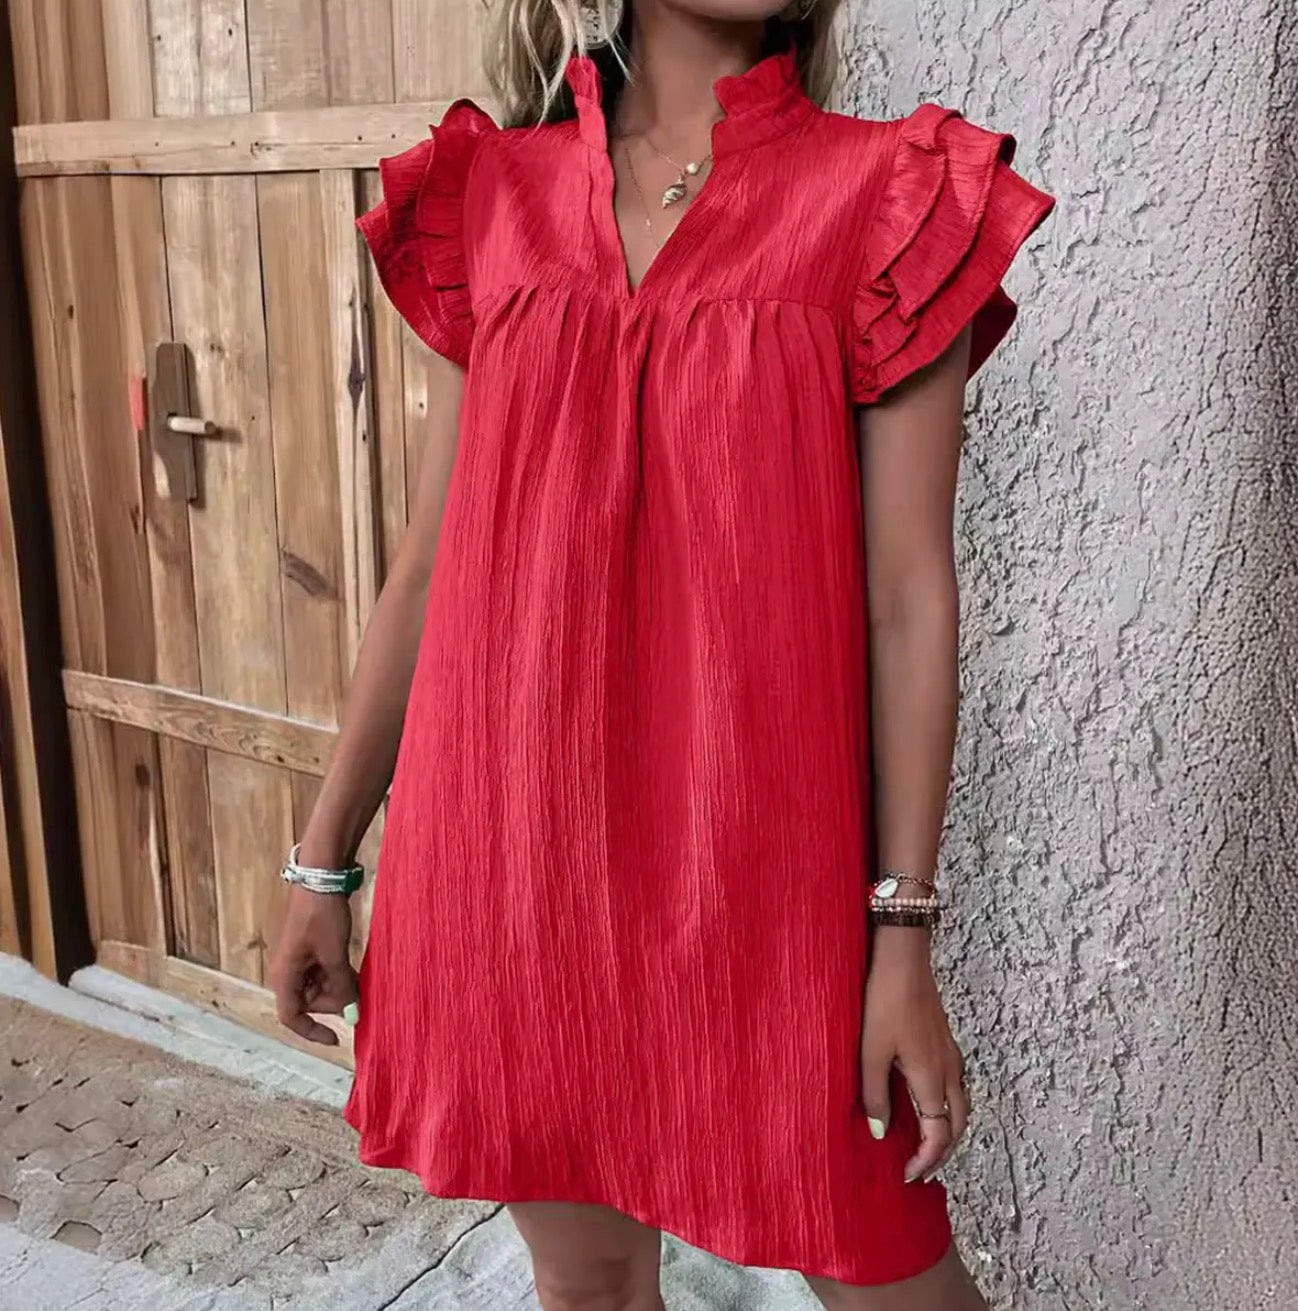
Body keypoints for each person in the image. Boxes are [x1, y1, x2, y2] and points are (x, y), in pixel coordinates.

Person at [270, 1, 1054, 1307]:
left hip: (759, 878)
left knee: (889, 1273)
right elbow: (428, 563)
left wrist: (901, 935)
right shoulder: (494, 193)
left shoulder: (888, 200)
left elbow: (910, 598)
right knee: (587, 1285)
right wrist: (323, 856)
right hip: (513, 867)